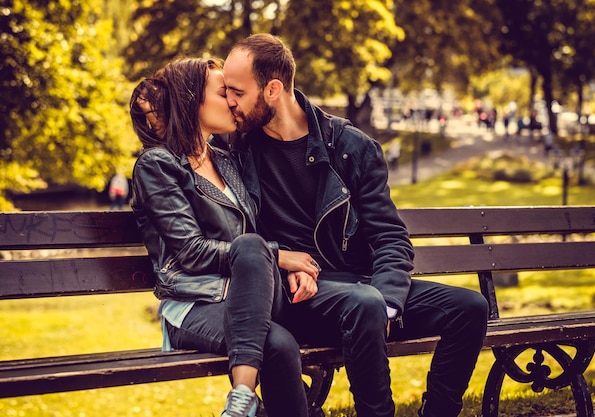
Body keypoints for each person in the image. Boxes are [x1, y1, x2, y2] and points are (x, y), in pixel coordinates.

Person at [222, 33, 489, 417]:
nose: (229, 100)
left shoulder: (350, 147)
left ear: (272, 89)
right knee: (365, 302)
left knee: (469, 307)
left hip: (363, 288)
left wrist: (389, 305)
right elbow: (237, 234)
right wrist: (283, 263)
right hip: (297, 297)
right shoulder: (236, 149)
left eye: (237, 91)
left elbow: (391, 237)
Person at [128, 57, 316, 417]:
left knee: (298, 319)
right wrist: (277, 257)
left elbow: (257, 236)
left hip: (250, 298)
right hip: (193, 304)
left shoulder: (228, 160)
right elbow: (190, 252)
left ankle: (246, 405)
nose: (232, 101)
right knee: (277, 344)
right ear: (192, 102)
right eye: (222, 92)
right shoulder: (158, 165)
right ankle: (245, 402)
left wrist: (286, 265)